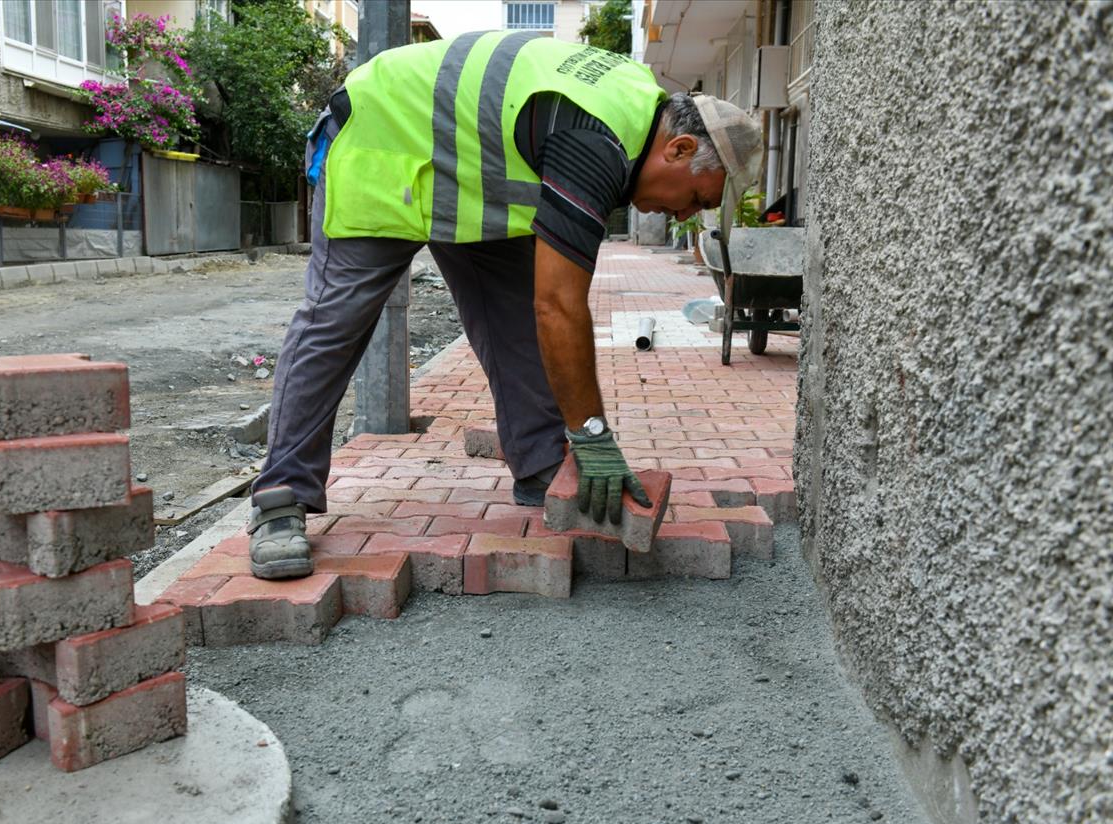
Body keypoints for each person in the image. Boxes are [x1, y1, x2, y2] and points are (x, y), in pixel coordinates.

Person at [248, 31, 763, 580]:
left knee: (515, 321)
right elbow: (560, 306)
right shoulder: (599, 139)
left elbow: (543, 311)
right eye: (699, 200)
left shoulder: (639, 108)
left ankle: (541, 466)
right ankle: (281, 499)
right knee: (337, 321)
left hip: (470, 179)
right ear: (679, 150)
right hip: (387, 141)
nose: (687, 217)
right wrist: (593, 440)